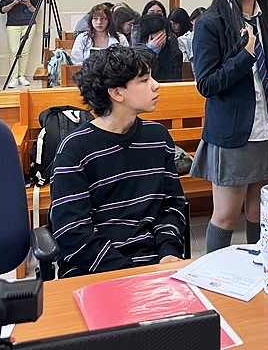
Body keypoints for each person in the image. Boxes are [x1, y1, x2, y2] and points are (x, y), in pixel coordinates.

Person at [190, 0, 268, 253]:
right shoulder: (211, 23)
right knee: (225, 217)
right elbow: (206, 84)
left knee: (260, 213)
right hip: (235, 133)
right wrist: (245, 56)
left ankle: (260, 270)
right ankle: (216, 278)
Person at [49, 45, 186, 278]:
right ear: (117, 93)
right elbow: (71, 231)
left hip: (154, 264)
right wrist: (128, 273)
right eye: (144, 80)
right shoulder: (74, 150)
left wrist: (168, 252)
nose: (156, 85)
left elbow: (171, 204)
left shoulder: (157, 137)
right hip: (94, 269)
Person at [0, 0, 38, 88]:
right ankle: (14, 77)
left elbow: (36, 11)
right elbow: (2, 10)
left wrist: (29, 4)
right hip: (13, 24)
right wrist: (13, 3)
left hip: (28, 24)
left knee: (25, 51)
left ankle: (21, 76)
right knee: (14, 51)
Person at [132, 13, 182, 81]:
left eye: (161, 37)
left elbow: (171, 81)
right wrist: (150, 53)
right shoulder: (135, 53)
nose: (158, 41)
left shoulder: (174, 54)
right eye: (154, 38)